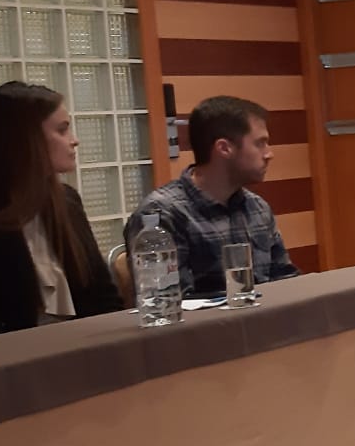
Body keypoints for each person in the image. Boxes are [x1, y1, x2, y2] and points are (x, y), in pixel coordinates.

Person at [0, 81, 122, 335]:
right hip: (10, 355)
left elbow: (103, 298)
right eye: (62, 130)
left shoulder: (66, 201)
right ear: (24, 140)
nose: (74, 141)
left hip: (83, 347)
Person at [126, 94, 298, 297]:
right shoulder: (162, 214)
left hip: (263, 315)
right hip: (210, 318)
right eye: (260, 144)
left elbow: (285, 280)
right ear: (224, 148)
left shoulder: (257, 207)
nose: (269, 154)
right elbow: (169, 300)